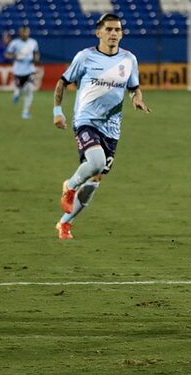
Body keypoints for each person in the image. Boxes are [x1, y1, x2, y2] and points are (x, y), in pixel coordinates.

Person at [53, 13, 150, 240]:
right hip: (86, 121)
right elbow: (63, 82)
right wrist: (58, 111)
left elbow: (134, 87)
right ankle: (70, 186)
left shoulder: (129, 59)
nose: (114, 34)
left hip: (112, 129)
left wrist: (136, 98)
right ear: (99, 32)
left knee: (96, 180)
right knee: (95, 162)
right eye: (109, 29)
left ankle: (65, 223)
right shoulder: (85, 57)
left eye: (118, 30)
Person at [4, 26, 40, 119]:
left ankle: (25, 112)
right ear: (20, 33)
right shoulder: (14, 43)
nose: (25, 34)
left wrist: (36, 59)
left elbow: (36, 53)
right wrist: (15, 57)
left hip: (30, 70)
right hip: (18, 71)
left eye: (26, 32)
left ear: (29, 32)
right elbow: (7, 54)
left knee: (29, 90)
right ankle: (16, 94)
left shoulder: (33, 42)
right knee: (20, 89)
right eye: (23, 32)